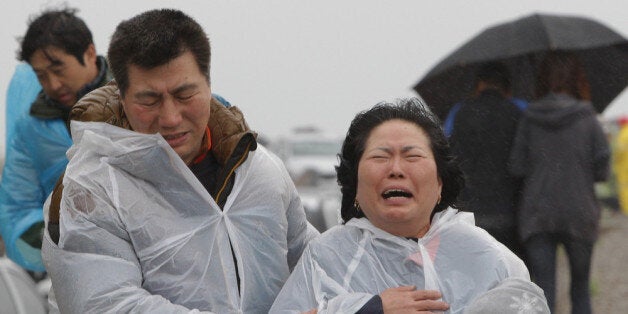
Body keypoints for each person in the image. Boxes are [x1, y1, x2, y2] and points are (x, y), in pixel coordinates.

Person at [41, 9, 317, 313]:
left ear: (209, 86)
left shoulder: (260, 170)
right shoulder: (90, 190)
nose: (170, 118)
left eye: (185, 94)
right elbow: (105, 304)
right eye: (149, 100)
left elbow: (315, 266)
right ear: (121, 96)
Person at [270, 98, 532, 313]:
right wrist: (370, 309)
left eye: (412, 156)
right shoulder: (326, 259)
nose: (396, 169)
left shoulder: (487, 258)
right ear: (355, 184)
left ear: (440, 183)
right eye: (380, 157)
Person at [0, 8, 112, 272]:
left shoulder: (139, 100)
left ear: (89, 53)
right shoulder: (29, 131)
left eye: (58, 69)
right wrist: (57, 245)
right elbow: (17, 209)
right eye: (41, 76)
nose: (52, 84)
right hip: (69, 268)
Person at [509, 51, 610, 313]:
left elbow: (516, 167)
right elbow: (602, 171)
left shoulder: (529, 118)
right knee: (580, 288)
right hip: (579, 213)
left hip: (537, 214)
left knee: (542, 292)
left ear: (540, 80)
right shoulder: (588, 118)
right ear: (578, 79)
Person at [448, 62, 525, 261]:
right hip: (510, 211)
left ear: (479, 84)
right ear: (507, 87)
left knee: (476, 274)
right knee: (511, 275)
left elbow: (451, 159)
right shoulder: (517, 114)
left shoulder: (461, 113)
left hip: (471, 211)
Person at [613, 116, 628, 215]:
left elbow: (618, 154)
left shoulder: (622, 135)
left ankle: (626, 209)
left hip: (624, 168)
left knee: (624, 188)